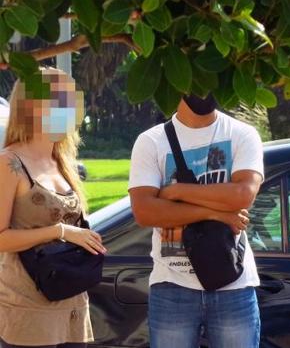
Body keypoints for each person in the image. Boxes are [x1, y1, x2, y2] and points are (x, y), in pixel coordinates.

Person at [128, 93, 264, 348]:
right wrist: (218, 213)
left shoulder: (242, 134)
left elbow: (243, 195)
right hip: (171, 284)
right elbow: (145, 211)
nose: (204, 91)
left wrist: (176, 192)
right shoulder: (151, 141)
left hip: (233, 283)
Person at [0, 68, 106, 348]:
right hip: (27, 314)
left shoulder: (63, 162)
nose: (70, 109)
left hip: (73, 310)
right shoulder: (9, 163)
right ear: (32, 106)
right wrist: (60, 231)